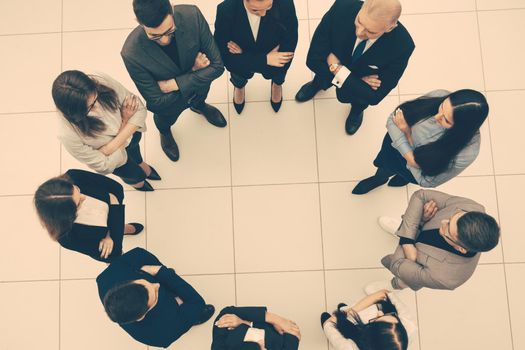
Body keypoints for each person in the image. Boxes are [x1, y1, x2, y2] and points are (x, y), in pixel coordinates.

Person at [122, 0, 226, 162]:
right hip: (170, 106)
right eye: (155, 36)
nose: (164, 40)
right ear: (139, 23)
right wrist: (194, 71)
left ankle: (199, 107)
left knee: (200, 100)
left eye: (170, 31)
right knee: (165, 122)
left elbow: (218, 66)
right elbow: (157, 101)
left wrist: (174, 84)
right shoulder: (131, 53)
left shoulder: (192, 16)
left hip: (199, 88)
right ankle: (165, 133)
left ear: (171, 9)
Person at [295, 0, 414, 135]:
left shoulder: (403, 46)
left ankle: (356, 112)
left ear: (390, 28)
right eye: (359, 21)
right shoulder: (342, 8)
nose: (359, 32)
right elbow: (313, 60)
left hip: (353, 92)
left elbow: (375, 96)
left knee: (360, 102)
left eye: (371, 31)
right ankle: (317, 84)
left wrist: (337, 69)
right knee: (321, 77)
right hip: (330, 75)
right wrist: (357, 81)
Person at [352, 89, 488, 195]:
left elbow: (427, 181)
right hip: (399, 152)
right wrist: (411, 158)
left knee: (405, 174)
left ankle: (402, 178)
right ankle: (379, 179)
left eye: (446, 120)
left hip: (413, 167)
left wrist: (407, 134)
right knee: (385, 168)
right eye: (441, 107)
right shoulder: (440, 95)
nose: (436, 117)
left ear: (461, 128)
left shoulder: (468, 152)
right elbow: (393, 120)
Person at [367, 189, 500, 292]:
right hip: (415, 235)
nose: (443, 221)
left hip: (418, 274)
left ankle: (394, 286)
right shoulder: (473, 208)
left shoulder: (447, 278)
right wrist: (408, 238)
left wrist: (413, 227)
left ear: (460, 248)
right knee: (409, 229)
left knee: (406, 280)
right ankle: (403, 230)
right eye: (454, 216)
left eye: (447, 228)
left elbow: (397, 264)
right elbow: (421, 195)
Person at [53, 70, 160, 192]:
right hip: (118, 160)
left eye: (96, 98)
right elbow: (103, 165)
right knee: (134, 175)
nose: (98, 106)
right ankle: (138, 183)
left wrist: (108, 149)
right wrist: (125, 122)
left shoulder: (99, 80)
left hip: (129, 139)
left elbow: (139, 109)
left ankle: (142, 165)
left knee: (135, 151)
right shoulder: (67, 134)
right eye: (90, 107)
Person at [97, 247, 215, 348]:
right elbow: (197, 303)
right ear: (142, 316)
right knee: (194, 311)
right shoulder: (161, 335)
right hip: (173, 310)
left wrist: (160, 272)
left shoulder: (104, 280)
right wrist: (159, 272)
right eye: (155, 293)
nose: (157, 285)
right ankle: (192, 318)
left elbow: (140, 253)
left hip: (167, 299)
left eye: (143, 281)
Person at [34, 169, 144, 263]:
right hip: (111, 217)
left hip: (110, 219)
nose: (84, 197)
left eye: (76, 189)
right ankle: (122, 229)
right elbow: (113, 252)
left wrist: (111, 234)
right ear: (68, 216)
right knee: (118, 258)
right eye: (78, 203)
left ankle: (123, 229)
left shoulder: (73, 176)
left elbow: (117, 189)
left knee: (117, 228)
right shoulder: (66, 237)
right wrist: (113, 203)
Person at [214, 0, 298, 114]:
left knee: (279, 73)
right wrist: (265, 59)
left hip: (268, 62)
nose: (263, 14)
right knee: (238, 76)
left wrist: (243, 56)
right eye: (255, 10)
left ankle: (277, 84)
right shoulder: (226, 10)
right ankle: (239, 86)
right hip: (251, 65)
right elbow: (226, 57)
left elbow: (289, 45)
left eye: (269, 6)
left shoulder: (285, 3)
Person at [320, 289, 416, 350]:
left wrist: (341, 316)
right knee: (343, 309)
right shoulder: (408, 327)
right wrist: (350, 311)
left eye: (377, 319)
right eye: (393, 315)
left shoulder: (349, 347)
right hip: (357, 317)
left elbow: (328, 324)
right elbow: (385, 293)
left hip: (349, 330)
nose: (380, 312)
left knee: (327, 318)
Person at [212, 306, 301, 350]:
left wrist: (274, 319)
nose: (262, 343)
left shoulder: (221, 344)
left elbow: (226, 312)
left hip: (260, 322)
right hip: (275, 333)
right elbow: (294, 335)